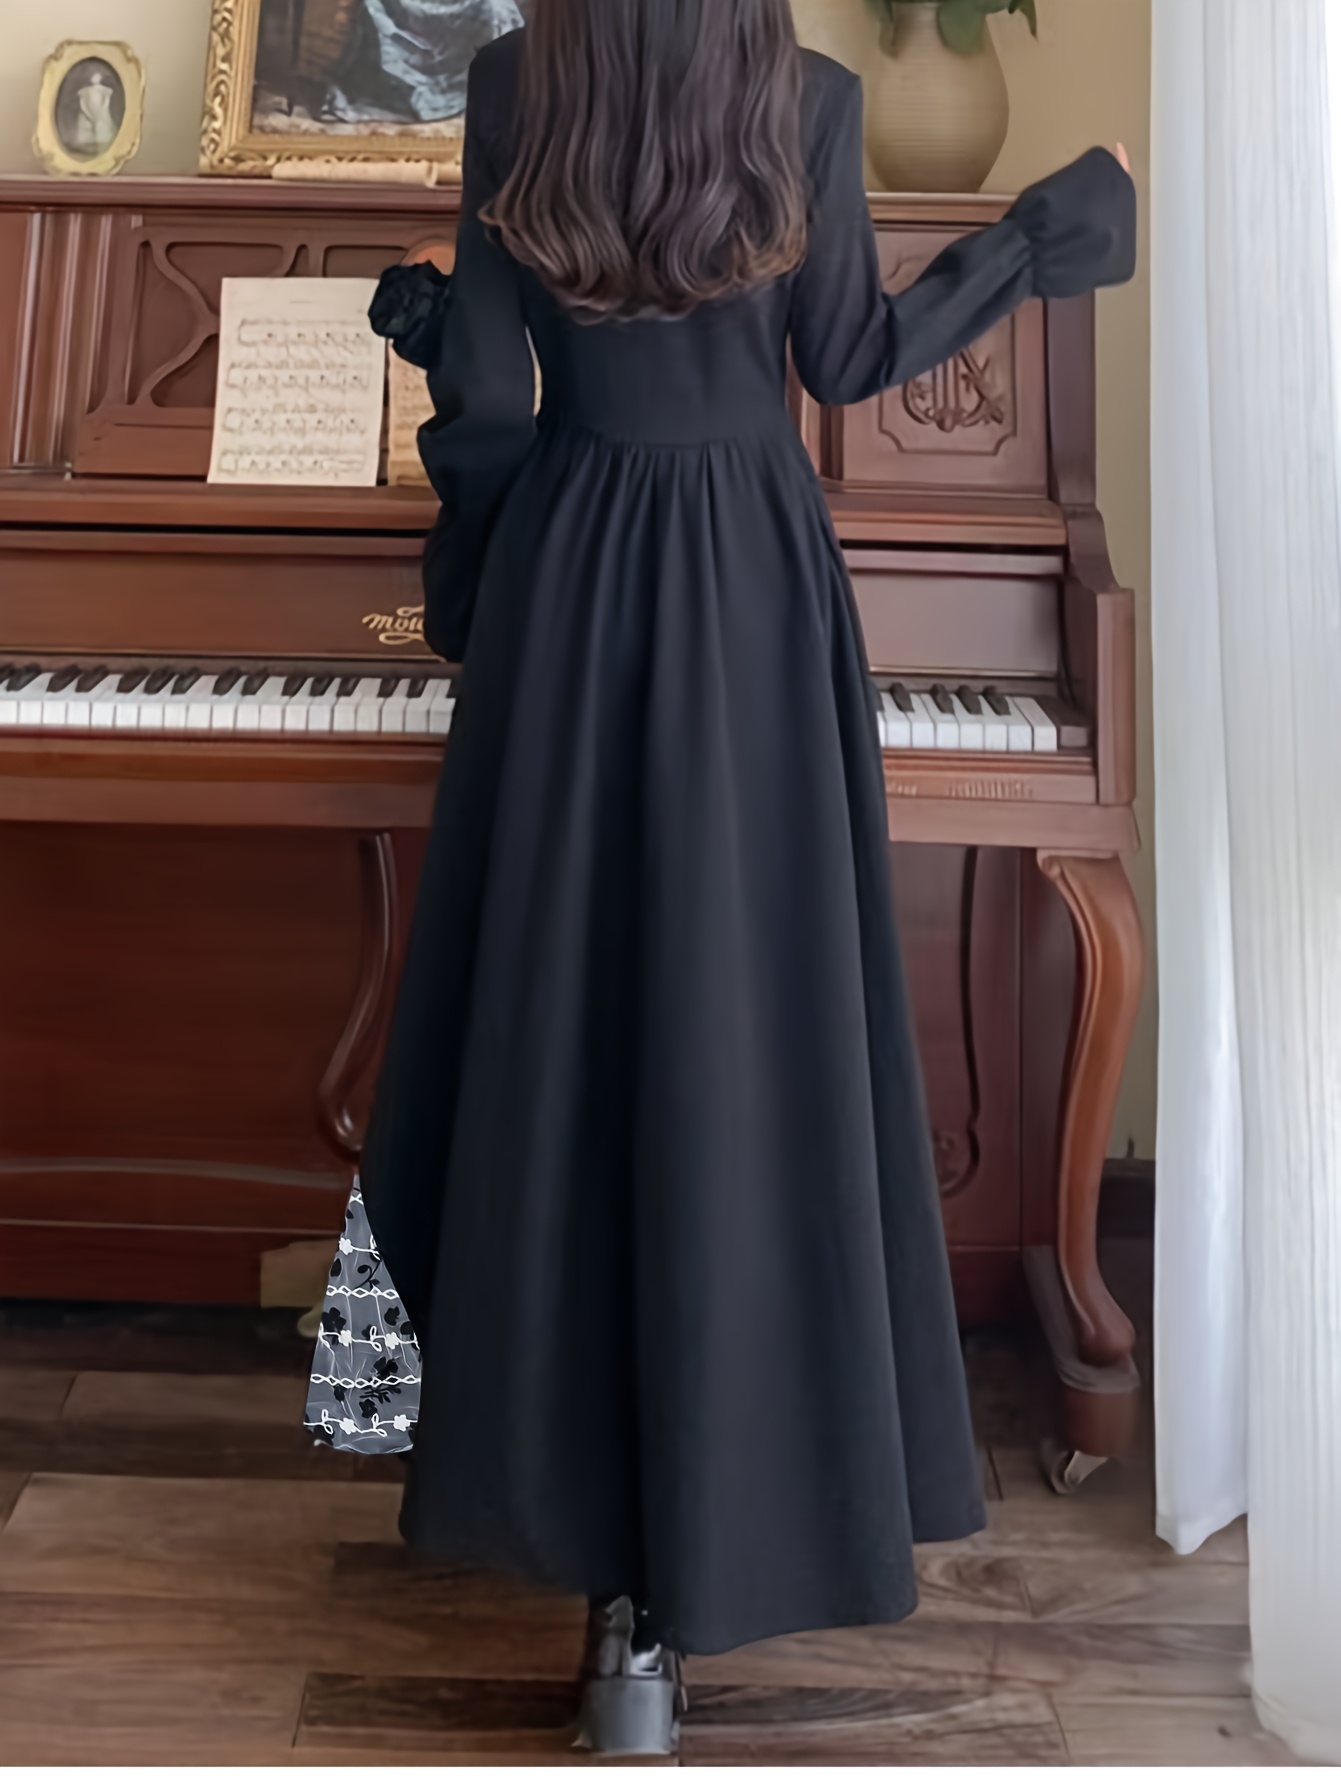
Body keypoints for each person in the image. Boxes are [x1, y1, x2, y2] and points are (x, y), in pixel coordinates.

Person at [340, 0, 1135, 1757]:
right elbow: (850, 358)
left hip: (568, 579)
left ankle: (591, 1581)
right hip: (753, 587)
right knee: (734, 1026)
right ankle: (714, 1549)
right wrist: (1041, 233)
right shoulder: (809, 97)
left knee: (560, 1033)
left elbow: (490, 398)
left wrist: (474, 583)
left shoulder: (511, 81)